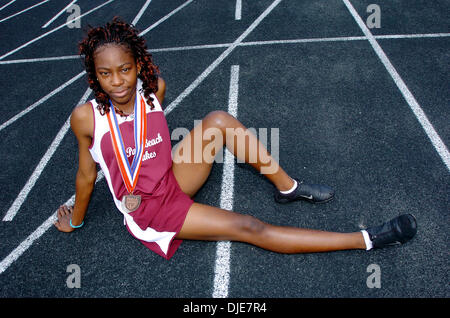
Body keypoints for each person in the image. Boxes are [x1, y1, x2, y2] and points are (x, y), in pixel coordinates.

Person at [54, 18, 417, 260]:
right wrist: (76, 221)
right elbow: (87, 176)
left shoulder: (154, 91)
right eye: (105, 74)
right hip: (150, 209)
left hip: (171, 179)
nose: (117, 81)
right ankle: (366, 239)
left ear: (139, 65)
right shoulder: (86, 118)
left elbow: (148, 130)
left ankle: (287, 188)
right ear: (93, 76)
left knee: (218, 120)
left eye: (125, 69)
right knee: (249, 226)